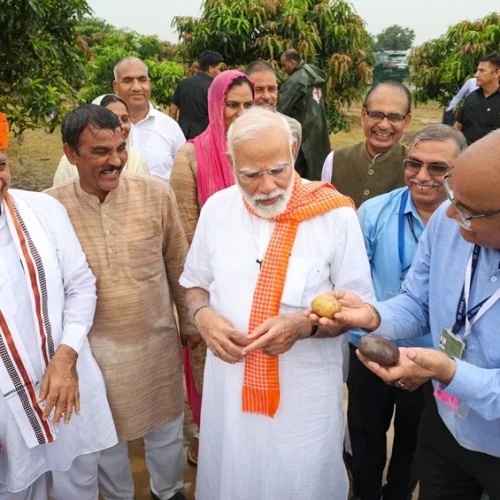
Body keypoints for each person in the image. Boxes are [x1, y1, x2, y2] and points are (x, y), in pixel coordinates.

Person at [180, 107, 375, 500]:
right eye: (251, 175)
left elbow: (363, 310)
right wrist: (202, 317)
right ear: (230, 162)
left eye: (279, 170)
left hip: (302, 399)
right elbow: (194, 286)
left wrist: (304, 327)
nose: (268, 186)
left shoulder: (334, 215)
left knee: (299, 482)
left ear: (294, 149)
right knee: (232, 479)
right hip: (229, 394)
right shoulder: (217, 209)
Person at [307, 130, 500, 499]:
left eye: (470, 212)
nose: (453, 216)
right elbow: (417, 302)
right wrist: (371, 315)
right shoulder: (448, 218)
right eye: (454, 198)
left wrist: (449, 371)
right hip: (445, 426)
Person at [46, 105, 195, 500]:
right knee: (105, 439)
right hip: (93, 354)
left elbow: (178, 263)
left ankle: (170, 491)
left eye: (121, 148)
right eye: (100, 152)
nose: (115, 161)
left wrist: (192, 322)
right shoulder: (49, 208)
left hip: (155, 341)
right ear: (70, 153)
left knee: (166, 431)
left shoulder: (156, 194)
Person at [0, 113, 117, 499]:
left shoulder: (42, 210)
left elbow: (81, 285)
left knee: (78, 482)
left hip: (70, 383)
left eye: (0, 163)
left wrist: (65, 358)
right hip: (5, 408)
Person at [347, 125, 467, 500]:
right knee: (365, 437)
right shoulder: (373, 212)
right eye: (414, 164)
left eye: (437, 168)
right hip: (371, 350)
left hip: (435, 362)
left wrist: (436, 363)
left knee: (417, 445)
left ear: (461, 171)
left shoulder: (472, 226)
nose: (422, 176)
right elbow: (354, 282)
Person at [169, 70, 254, 465]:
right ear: (214, 106)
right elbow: (184, 236)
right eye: (231, 105)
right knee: (208, 366)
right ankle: (207, 439)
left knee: (250, 364)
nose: (239, 113)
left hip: (256, 285)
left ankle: (244, 441)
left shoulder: (258, 151)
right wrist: (196, 307)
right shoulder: (190, 156)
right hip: (210, 288)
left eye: (247, 105)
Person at [321, 81, 412, 208]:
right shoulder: (335, 160)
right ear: (363, 116)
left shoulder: (415, 167)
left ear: (406, 121)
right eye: (376, 115)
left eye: (394, 117)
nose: (383, 125)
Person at [113, 56, 185, 182]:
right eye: (128, 80)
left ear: (149, 83)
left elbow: (183, 177)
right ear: (116, 87)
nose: (136, 87)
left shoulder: (170, 127)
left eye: (142, 80)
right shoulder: (102, 126)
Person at [53, 94, 149, 186]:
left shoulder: (137, 158)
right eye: (113, 119)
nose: (121, 126)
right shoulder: (70, 160)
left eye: (125, 119)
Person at [277, 49, 330, 180]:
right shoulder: (312, 72)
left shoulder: (296, 80)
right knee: (314, 165)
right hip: (317, 125)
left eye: (284, 65)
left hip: (303, 129)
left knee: (297, 170)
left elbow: (281, 109)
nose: (282, 69)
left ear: (293, 62)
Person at [244, 60, 302, 152]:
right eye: (258, 90)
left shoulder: (292, 127)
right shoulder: (235, 128)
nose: (266, 96)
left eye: (272, 89)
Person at [169, 50, 224, 139]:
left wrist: (171, 133)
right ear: (210, 69)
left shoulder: (183, 83)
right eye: (219, 69)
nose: (220, 73)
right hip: (203, 138)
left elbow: (172, 110)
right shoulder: (213, 89)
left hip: (182, 135)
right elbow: (217, 117)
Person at [455, 53, 500, 144]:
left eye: (482, 71)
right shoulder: (471, 98)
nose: (476, 75)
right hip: (467, 154)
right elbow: (458, 127)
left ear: (497, 73)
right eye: (477, 70)